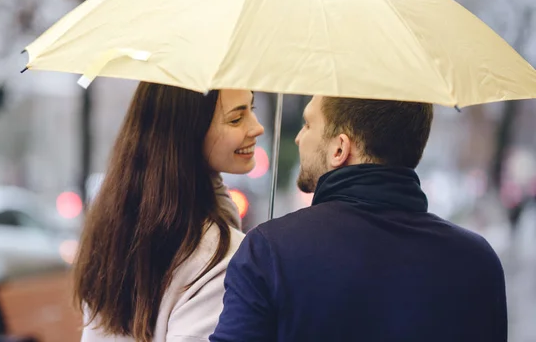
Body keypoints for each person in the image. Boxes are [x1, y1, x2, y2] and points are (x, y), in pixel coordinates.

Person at [211, 96, 507, 342]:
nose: (299, 137)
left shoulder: (269, 252)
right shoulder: (478, 262)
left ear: (340, 148)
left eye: (308, 123)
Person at [74, 82, 264, 342]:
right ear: (189, 132)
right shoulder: (219, 256)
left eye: (251, 109)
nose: (257, 127)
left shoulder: (116, 224)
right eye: (236, 118)